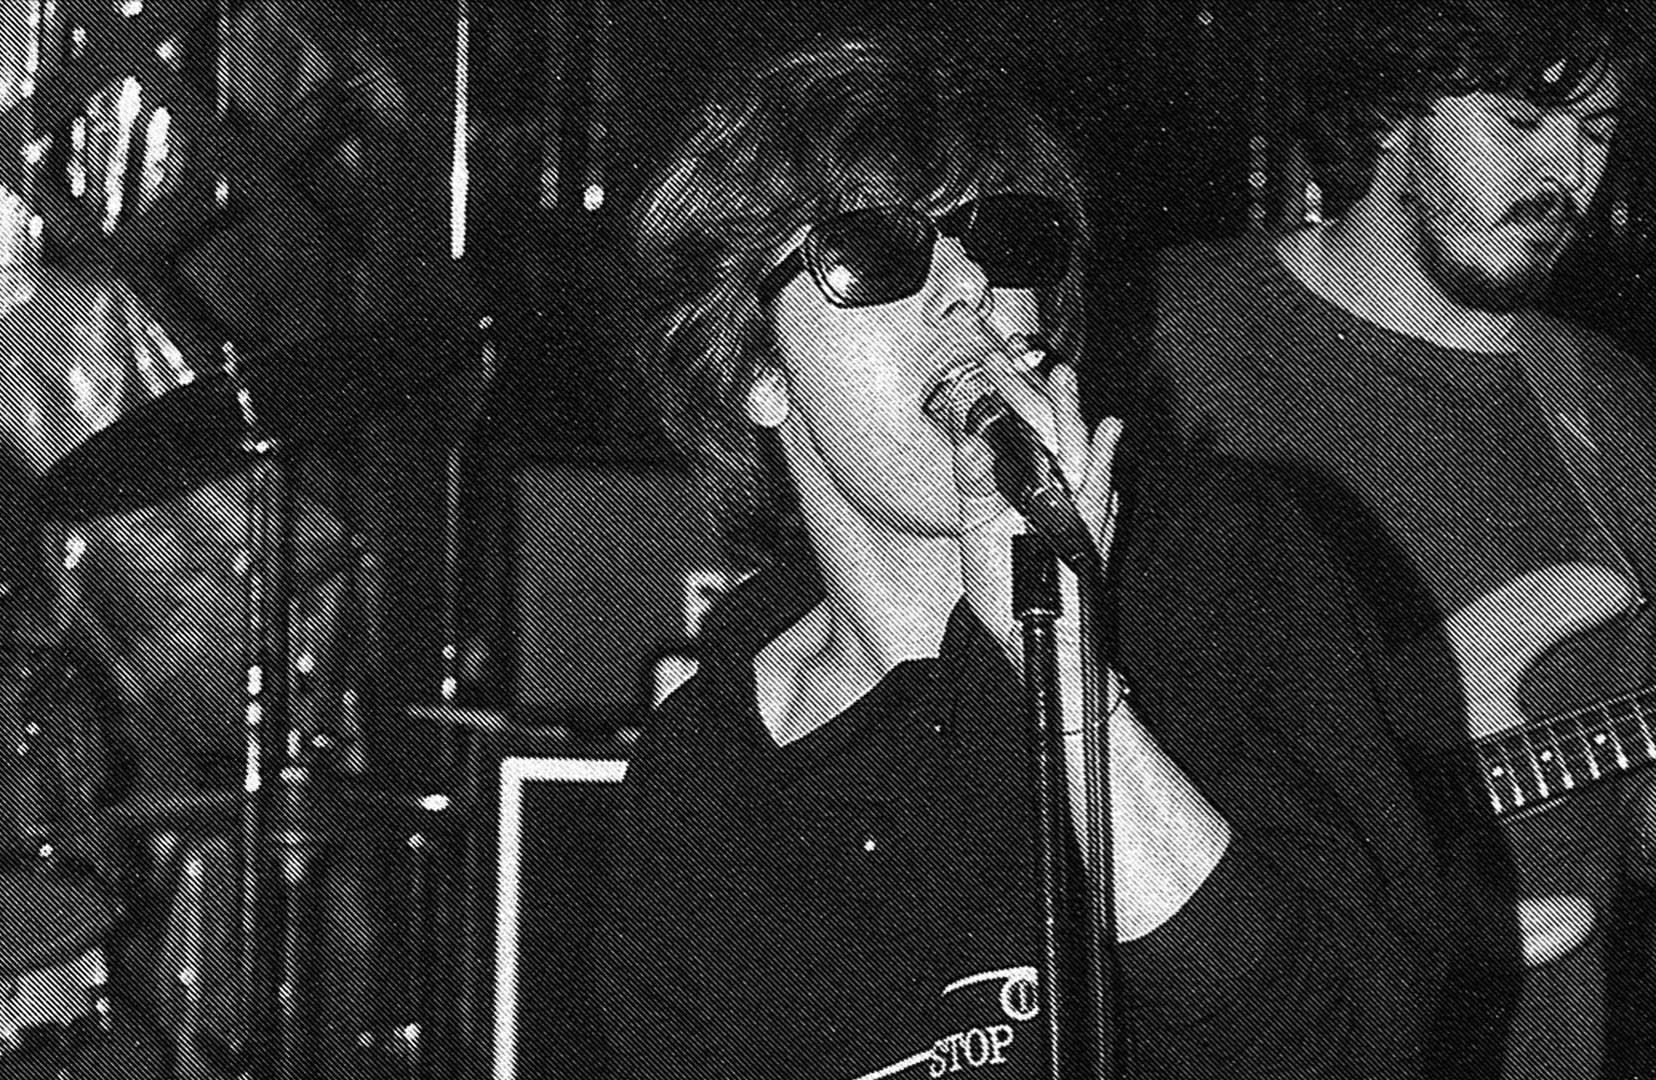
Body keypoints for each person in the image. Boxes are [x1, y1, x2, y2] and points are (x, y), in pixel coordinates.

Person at [596, 31, 1527, 1079]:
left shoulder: (1220, 569)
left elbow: (1339, 1043)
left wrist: (1073, 686)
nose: (968, 289)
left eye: (1004, 239)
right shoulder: (705, 773)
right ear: (755, 370)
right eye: (875, 253)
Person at [1148, 3, 1656, 1078]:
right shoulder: (1166, 337)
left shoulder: (1614, 414)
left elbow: (1638, 818)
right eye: (1520, 122)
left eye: (1596, 133)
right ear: (1390, 116)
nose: (1567, 174)